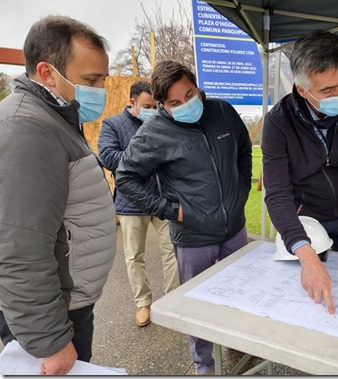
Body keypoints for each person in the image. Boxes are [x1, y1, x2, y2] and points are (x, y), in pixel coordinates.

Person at [115, 60, 252, 375]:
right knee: (197, 307)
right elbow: (126, 178)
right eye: (176, 102)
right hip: (192, 237)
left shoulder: (222, 111)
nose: (187, 105)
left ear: (197, 86)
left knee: (241, 295)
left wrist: (241, 191)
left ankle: (241, 344)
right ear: (163, 104)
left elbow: (244, 150)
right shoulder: (153, 132)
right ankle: (204, 364)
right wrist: (169, 210)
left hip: (234, 230)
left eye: (190, 94)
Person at [0, 16, 116, 375]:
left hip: (67, 304)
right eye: (91, 80)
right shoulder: (28, 128)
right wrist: (50, 340)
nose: (100, 90)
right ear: (48, 73)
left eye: (102, 80)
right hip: (53, 317)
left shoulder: (55, 117)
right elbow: (19, 247)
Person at [262, 30, 338, 315]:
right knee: (310, 297)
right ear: (302, 89)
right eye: (328, 90)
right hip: (306, 218)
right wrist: (306, 256)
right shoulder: (278, 123)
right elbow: (278, 194)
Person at [98, 80, 179, 327]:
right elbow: (108, 156)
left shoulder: (163, 122)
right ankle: (143, 303)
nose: (153, 110)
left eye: (156, 105)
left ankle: (173, 302)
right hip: (131, 201)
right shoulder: (113, 125)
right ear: (132, 102)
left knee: (173, 252)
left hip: (163, 199)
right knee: (134, 256)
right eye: (147, 105)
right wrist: (144, 157)